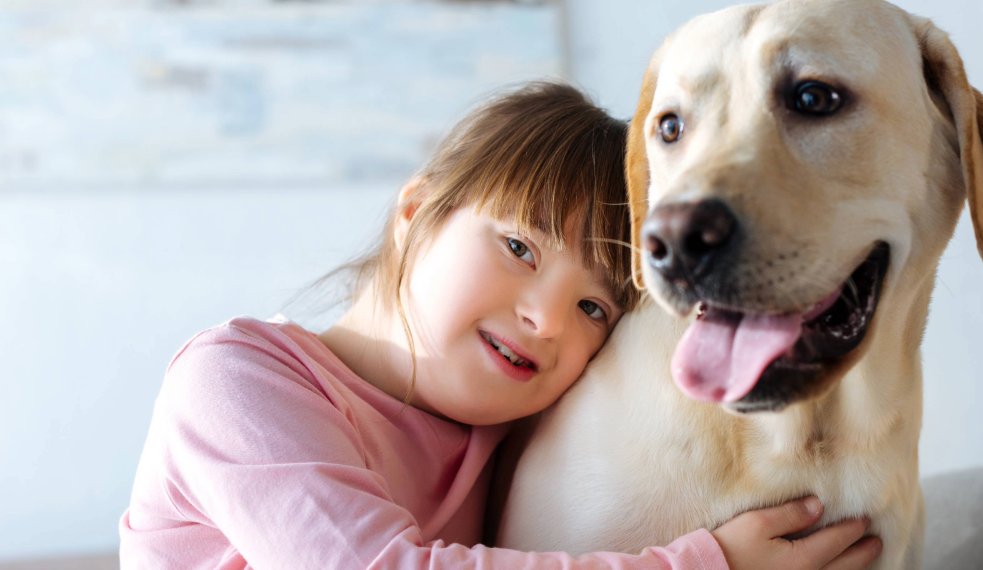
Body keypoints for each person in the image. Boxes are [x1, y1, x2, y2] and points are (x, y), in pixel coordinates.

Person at [119, 82, 882, 570]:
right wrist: (704, 565)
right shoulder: (236, 378)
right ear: (417, 213)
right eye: (519, 246)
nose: (546, 319)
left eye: (594, 307)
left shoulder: (520, 439)